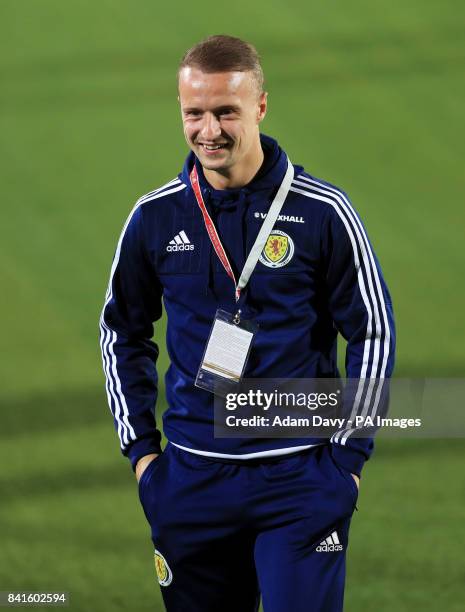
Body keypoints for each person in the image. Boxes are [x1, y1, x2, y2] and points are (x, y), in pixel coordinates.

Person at [99, 34, 395, 612]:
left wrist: (346, 462)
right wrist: (144, 458)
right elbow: (122, 332)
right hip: (191, 481)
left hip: (299, 479)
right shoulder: (155, 217)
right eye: (194, 113)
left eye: (225, 111)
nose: (209, 130)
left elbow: (372, 332)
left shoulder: (321, 212)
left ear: (260, 106)